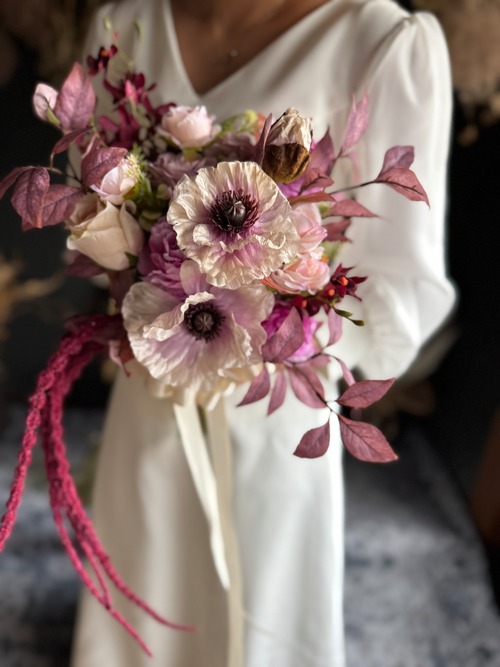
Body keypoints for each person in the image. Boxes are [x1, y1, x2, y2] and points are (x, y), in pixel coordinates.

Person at [70, 1, 455, 666]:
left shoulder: (384, 42)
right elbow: (89, 217)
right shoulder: (126, 22)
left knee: (262, 623)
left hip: (275, 418)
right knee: (139, 611)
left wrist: (267, 313)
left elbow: (401, 293)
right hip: (150, 395)